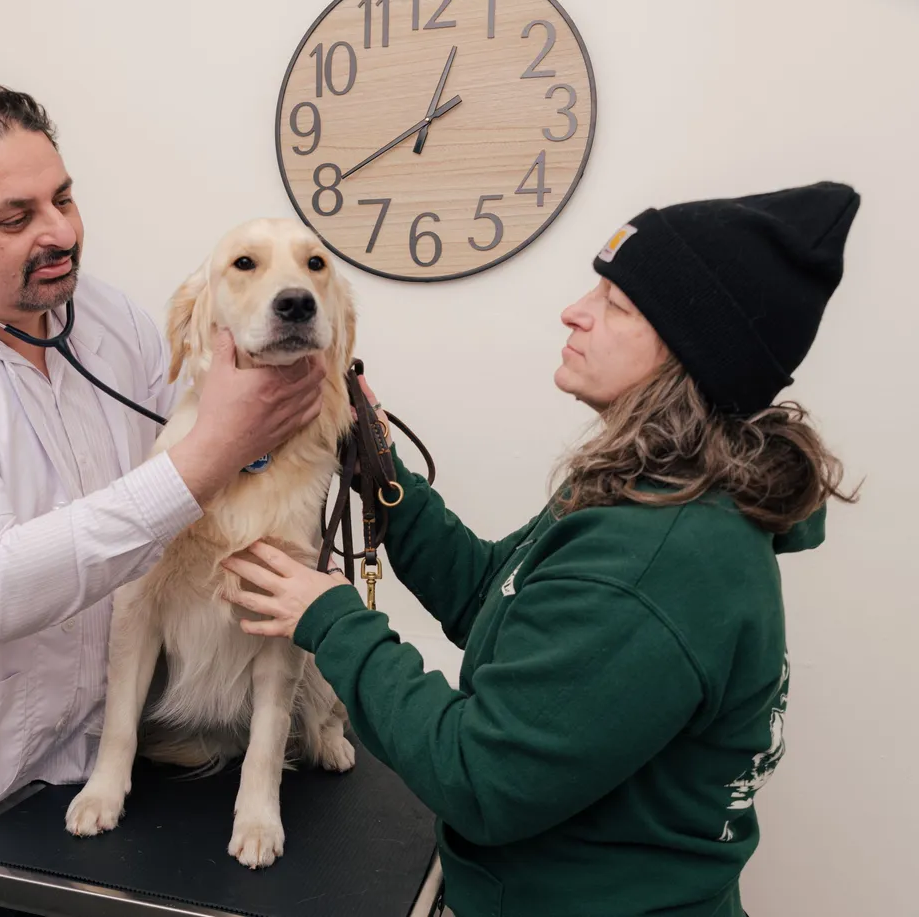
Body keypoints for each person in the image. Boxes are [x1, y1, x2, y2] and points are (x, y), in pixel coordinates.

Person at [221, 182, 862, 917]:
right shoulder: (648, 493)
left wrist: (334, 619)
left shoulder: (658, 563)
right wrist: (378, 473)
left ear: (694, 357)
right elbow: (491, 596)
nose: (576, 311)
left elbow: (478, 777)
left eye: (616, 304)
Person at [0, 82, 326, 916]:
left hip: (111, 773)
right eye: (15, 219)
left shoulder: (110, 321)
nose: (59, 233)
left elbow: (219, 455)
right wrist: (213, 448)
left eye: (65, 198)